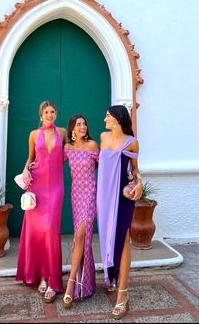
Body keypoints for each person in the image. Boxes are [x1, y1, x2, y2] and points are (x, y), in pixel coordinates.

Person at [16, 100, 67, 303]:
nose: (49, 114)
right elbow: (30, 158)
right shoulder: (33, 135)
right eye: (46, 112)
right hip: (35, 186)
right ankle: (42, 276)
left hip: (55, 188)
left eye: (52, 111)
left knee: (50, 231)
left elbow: (71, 151)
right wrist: (25, 169)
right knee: (36, 231)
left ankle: (52, 279)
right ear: (40, 115)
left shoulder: (62, 133)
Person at [96, 105, 143, 319]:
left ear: (117, 118)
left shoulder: (131, 142)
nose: (105, 118)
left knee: (123, 240)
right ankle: (112, 276)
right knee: (108, 237)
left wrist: (139, 184)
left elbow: (135, 170)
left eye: (108, 115)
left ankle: (122, 294)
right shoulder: (103, 138)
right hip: (103, 198)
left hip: (122, 198)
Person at [62, 114, 99, 309]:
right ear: (72, 129)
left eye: (85, 123)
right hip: (76, 196)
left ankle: (70, 284)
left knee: (79, 236)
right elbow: (51, 164)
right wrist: (30, 170)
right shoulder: (67, 148)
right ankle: (86, 283)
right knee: (81, 240)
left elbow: (107, 166)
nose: (83, 126)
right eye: (79, 124)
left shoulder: (93, 145)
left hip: (91, 195)